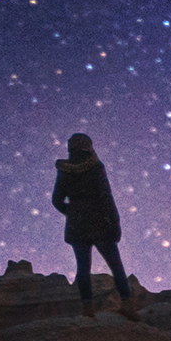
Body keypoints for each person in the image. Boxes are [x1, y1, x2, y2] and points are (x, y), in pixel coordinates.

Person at [51, 132, 140, 319]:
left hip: (77, 224)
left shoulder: (64, 170)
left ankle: (88, 308)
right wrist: (114, 222)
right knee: (115, 265)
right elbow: (106, 197)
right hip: (99, 221)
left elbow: (57, 200)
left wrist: (72, 212)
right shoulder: (95, 167)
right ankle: (127, 305)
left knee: (83, 266)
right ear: (88, 146)